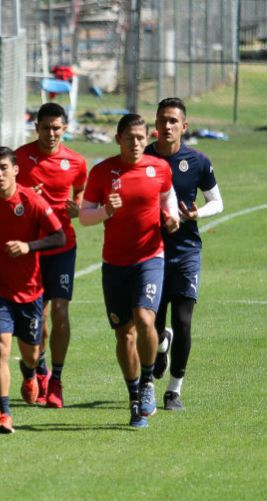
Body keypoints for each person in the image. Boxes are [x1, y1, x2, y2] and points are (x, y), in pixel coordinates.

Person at [80, 114, 180, 428]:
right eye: (129, 138)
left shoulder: (159, 168)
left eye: (140, 137)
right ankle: (134, 398)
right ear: (118, 139)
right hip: (113, 264)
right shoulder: (101, 172)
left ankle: (149, 382)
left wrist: (172, 216)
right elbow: (84, 217)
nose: (136, 143)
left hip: (150, 257)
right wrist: (106, 211)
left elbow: (167, 197)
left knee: (144, 316)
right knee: (124, 335)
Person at [0, 147, 65, 433]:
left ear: (15, 170)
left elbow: (60, 236)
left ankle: (32, 371)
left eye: (4, 167)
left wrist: (28, 246)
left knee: (30, 353)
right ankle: (4, 414)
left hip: (30, 291)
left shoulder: (32, 201)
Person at [145, 98, 224, 411]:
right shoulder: (145, 157)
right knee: (149, 322)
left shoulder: (198, 162)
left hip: (185, 251)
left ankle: (173, 390)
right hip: (150, 251)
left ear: (184, 126)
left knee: (184, 319)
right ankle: (162, 344)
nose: (167, 126)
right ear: (156, 123)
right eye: (163, 120)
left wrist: (197, 214)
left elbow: (217, 201)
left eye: (173, 121)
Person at [14, 103, 88, 408]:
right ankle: (37, 369)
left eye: (57, 128)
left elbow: (81, 191)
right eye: (45, 128)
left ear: (65, 128)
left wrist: (77, 207)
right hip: (30, 250)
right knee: (37, 319)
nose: (51, 134)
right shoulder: (20, 158)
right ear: (37, 128)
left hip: (63, 247)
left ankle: (56, 379)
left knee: (60, 312)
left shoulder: (76, 161)